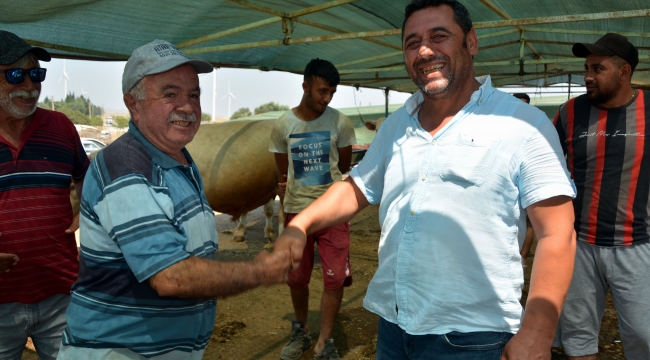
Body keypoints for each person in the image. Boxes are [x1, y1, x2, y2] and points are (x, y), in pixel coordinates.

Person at [274, 1, 578, 359]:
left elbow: (557, 232)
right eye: (411, 42)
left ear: (472, 43)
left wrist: (538, 332)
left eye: (439, 36)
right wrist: (302, 224)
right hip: (394, 326)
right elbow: (357, 187)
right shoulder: (397, 125)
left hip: (472, 335)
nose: (424, 51)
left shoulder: (523, 124)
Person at [58, 39, 290, 360]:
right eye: (169, 95)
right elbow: (172, 277)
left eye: (193, 94)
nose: (187, 106)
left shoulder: (176, 158)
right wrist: (261, 271)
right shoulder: (127, 167)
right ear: (132, 104)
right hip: (119, 351)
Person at [553, 33, 650, 360]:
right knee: (577, 332)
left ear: (625, 72)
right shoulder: (570, 112)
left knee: (644, 333)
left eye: (598, 68)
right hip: (578, 244)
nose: (587, 76)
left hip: (636, 243)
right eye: (586, 68)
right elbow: (546, 166)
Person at [0, 30, 89, 360]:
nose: (30, 85)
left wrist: (89, 212)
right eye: (15, 74)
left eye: (37, 74)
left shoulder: (61, 126)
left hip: (60, 296)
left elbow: (87, 178)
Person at [269, 58, 356, 360]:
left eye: (332, 92)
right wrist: (284, 193)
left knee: (334, 278)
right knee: (297, 278)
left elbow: (343, 166)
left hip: (333, 211)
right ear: (305, 86)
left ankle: (325, 342)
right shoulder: (283, 125)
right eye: (321, 91)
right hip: (297, 213)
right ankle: (302, 331)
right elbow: (283, 174)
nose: (326, 98)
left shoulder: (340, 122)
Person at [512, 92, 536, 268]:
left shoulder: (535, 128)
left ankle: (523, 257)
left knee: (530, 220)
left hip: (529, 179)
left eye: (525, 104)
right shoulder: (501, 128)